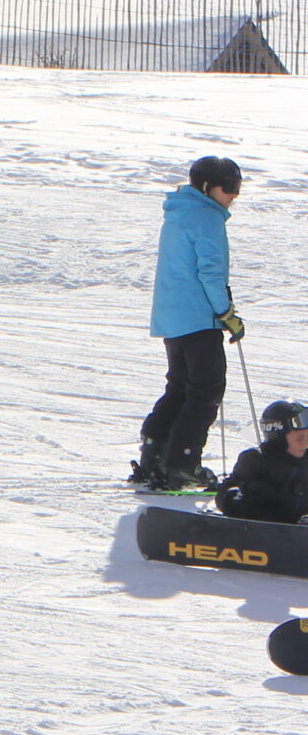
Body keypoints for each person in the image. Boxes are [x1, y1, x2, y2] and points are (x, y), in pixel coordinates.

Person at [137, 155, 245, 492]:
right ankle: (182, 464)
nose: (234, 194)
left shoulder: (180, 212)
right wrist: (226, 313)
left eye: (238, 187)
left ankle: (153, 453)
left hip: (173, 319)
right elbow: (210, 274)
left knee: (181, 386)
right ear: (205, 186)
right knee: (206, 389)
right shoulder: (207, 217)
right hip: (199, 318)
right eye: (229, 187)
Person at [217, 400, 308, 522]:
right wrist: (242, 498)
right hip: (262, 532)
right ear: (279, 438)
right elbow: (225, 493)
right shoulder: (256, 460)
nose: (305, 443)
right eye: (299, 438)